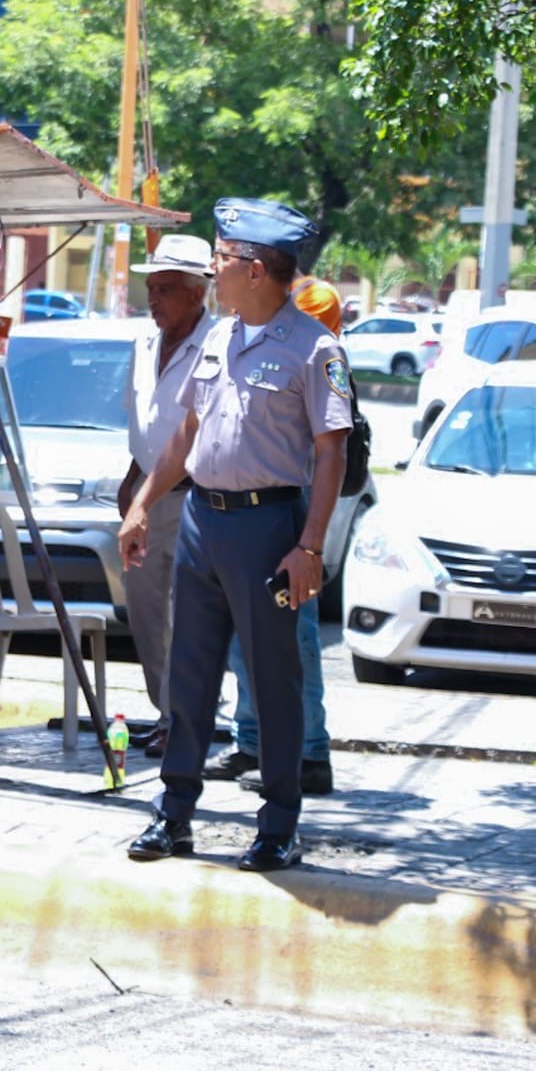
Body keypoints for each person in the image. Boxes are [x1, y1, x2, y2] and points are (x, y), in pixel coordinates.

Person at [119, 198, 351, 873]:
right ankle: (174, 814)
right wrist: (141, 505)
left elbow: (331, 452)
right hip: (202, 520)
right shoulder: (218, 338)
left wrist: (309, 547)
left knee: (273, 680)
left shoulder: (315, 348)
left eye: (220, 260)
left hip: (267, 527)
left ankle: (278, 824)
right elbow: (187, 431)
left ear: (254, 269)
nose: (214, 271)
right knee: (188, 677)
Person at [208, 268, 343, 794]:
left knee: (295, 637)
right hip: (246, 508)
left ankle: (309, 753)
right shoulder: (249, 326)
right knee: (245, 637)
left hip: (290, 503)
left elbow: (327, 443)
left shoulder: (312, 319)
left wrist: (309, 542)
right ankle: (251, 742)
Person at [117, 234, 216, 758]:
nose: (153, 300)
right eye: (150, 288)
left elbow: (197, 429)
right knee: (145, 611)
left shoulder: (220, 343)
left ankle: (182, 720)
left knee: (184, 619)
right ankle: (166, 713)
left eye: (165, 290)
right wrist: (132, 481)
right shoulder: (144, 343)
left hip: (195, 495)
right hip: (147, 497)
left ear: (197, 293)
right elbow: (146, 421)